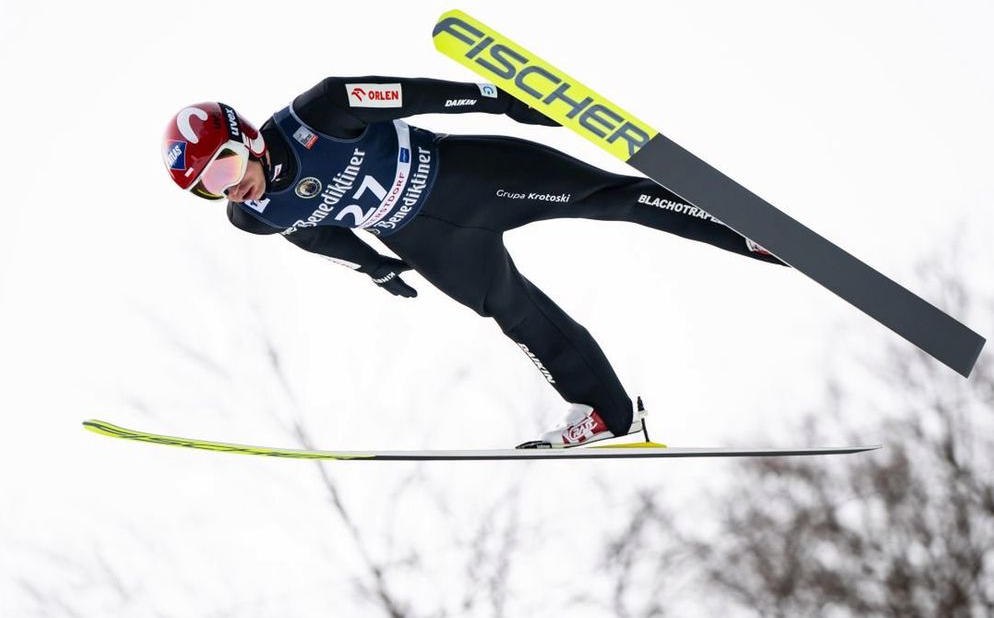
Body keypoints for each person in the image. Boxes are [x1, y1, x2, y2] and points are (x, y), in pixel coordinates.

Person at [161, 77, 784, 448]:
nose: (225, 189)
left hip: (466, 177)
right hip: (429, 244)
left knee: (609, 199)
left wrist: (504, 100)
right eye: (206, 189)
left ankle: (744, 235)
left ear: (245, 139)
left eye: (222, 168)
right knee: (514, 313)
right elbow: (310, 233)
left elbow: (419, 95)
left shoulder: (321, 111)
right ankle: (609, 414)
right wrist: (372, 266)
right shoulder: (252, 215)